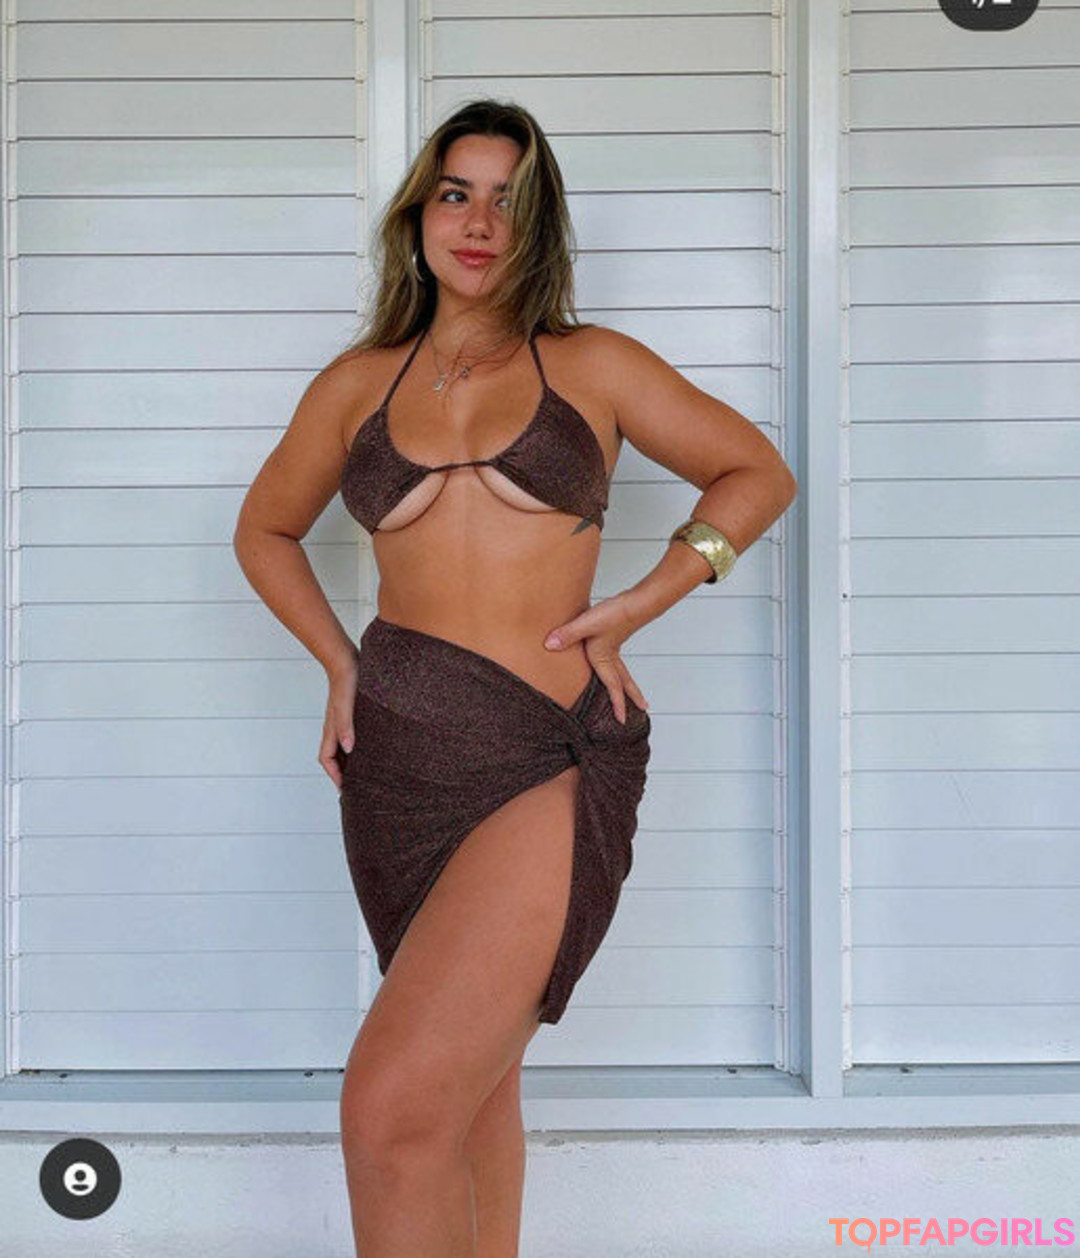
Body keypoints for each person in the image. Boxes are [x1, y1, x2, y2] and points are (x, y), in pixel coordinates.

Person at [233, 97, 797, 1258]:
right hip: (397, 757)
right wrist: (338, 662)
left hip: (545, 749)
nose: (479, 222)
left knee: (390, 1114)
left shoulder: (594, 364)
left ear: (539, 223)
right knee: (470, 1091)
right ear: (419, 215)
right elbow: (264, 530)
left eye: (508, 199)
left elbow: (757, 472)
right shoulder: (357, 384)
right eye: (456, 194)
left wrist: (641, 599)